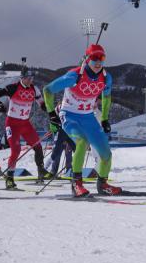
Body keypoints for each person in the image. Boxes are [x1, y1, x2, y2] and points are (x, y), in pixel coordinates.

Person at [43, 44, 121, 197]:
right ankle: (76, 184)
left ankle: (103, 184)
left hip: (88, 117)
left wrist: (104, 118)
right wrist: (52, 114)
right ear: (87, 58)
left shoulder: (106, 78)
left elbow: (107, 97)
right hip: (69, 116)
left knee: (106, 154)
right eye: (94, 58)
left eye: (102, 58)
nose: (98, 62)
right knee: (82, 142)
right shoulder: (74, 76)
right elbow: (47, 90)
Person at [0, 68, 49, 188]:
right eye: (28, 78)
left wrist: (47, 109)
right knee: (16, 150)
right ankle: (10, 178)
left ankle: (41, 171)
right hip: (12, 124)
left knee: (38, 146)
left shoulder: (34, 89)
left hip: (25, 124)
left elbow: (41, 102)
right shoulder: (12, 88)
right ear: (21, 78)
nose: (30, 81)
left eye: (31, 78)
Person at [44, 104, 75, 178]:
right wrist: (54, 131)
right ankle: (45, 170)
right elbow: (53, 126)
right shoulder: (57, 110)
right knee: (56, 153)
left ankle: (73, 171)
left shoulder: (71, 108)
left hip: (69, 133)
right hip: (60, 133)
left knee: (76, 151)